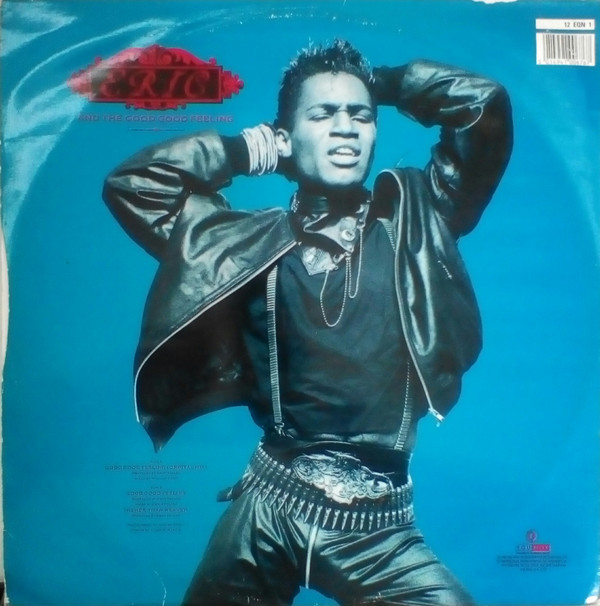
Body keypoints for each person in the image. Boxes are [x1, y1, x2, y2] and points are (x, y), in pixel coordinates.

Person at [103, 40, 512, 606]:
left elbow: (481, 105)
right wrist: (244, 151)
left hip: (379, 532)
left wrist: (378, 82)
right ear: (287, 137)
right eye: (322, 114)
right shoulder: (238, 246)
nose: (345, 127)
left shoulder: (423, 218)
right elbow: (134, 184)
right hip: (266, 511)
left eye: (360, 115)